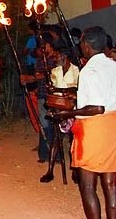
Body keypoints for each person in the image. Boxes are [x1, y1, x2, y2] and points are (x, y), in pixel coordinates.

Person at [51, 26, 116, 219]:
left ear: (87, 46)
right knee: (111, 184)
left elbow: (97, 108)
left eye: (81, 44)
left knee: (87, 186)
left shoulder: (88, 70)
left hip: (94, 130)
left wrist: (65, 114)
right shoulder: (114, 65)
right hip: (113, 128)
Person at [40, 47, 79, 184]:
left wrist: (57, 89)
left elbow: (75, 89)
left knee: (74, 141)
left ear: (65, 57)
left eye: (57, 56)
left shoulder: (77, 70)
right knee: (56, 139)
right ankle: (50, 171)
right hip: (57, 108)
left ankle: (75, 169)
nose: (54, 59)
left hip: (72, 110)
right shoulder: (54, 71)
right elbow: (53, 91)